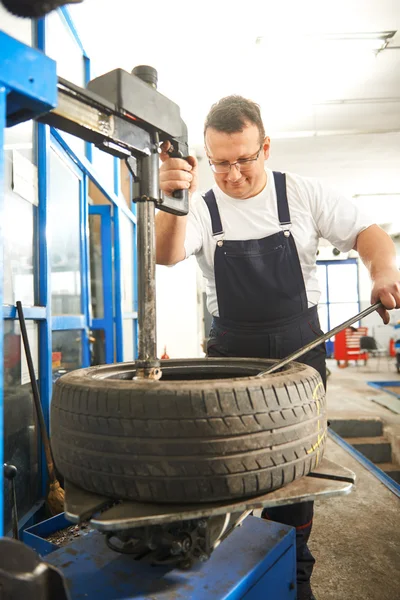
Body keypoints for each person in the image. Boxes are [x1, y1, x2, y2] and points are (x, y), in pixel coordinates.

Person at [155, 95, 400, 600]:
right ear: (207, 157)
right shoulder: (200, 209)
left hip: (300, 349)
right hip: (231, 354)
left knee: (295, 468)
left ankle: (294, 569)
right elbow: (166, 253)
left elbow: (367, 234)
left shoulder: (303, 194)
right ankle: (224, 562)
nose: (234, 174)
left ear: (265, 147)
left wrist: (385, 273)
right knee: (225, 465)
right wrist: (174, 199)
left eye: (244, 159)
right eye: (220, 163)